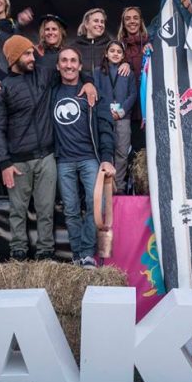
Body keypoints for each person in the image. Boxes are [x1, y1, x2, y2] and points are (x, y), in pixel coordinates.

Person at [0, 36, 97, 261]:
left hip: (47, 156)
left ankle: (45, 252)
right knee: (17, 210)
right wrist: (4, 163)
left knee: (46, 209)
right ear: (14, 58)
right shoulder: (3, 89)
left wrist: (88, 81)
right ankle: (18, 253)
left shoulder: (44, 74)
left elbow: (70, 71)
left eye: (32, 53)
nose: (33, 58)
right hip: (17, 161)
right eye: (27, 54)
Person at [51, 48, 115, 268]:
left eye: (73, 61)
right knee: (70, 209)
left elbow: (105, 126)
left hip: (90, 158)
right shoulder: (51, 91)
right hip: (63, 160)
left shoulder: (93, 92)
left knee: (96, 204)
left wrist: (106, 157)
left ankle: (87, 252)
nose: (68, 65)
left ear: (80, 66)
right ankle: (78, 255)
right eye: (64, 61)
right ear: (58, 65)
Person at [94, 40, 136, 193]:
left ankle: (119, 187)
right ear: (106, 53)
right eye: (112, 51)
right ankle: (106, 187)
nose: (115, 54)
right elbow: (97, 91)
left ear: (123, 55)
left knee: (122, 152)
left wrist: (122, 111)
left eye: (119, 52)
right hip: (105, 117)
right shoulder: (98, 72)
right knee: (106, 150)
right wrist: (107, 111)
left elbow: (133, 94)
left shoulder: (128, 73)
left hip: (123, 118)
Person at [117, 6, 149, 151]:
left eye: (135, 18)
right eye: (128, 19)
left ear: (141, 21)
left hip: (146, 106)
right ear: (123, 23)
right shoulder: (118, 47)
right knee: (125, 150)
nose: (132, 21)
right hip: (127, 107)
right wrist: (123, 62)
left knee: (145, 147)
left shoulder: (150, 43)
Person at [72, 8, 111, 73]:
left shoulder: (110, 46)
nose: (100, 24)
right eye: (96, 21)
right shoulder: (74, 47)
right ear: (86, 24)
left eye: (102, 22)